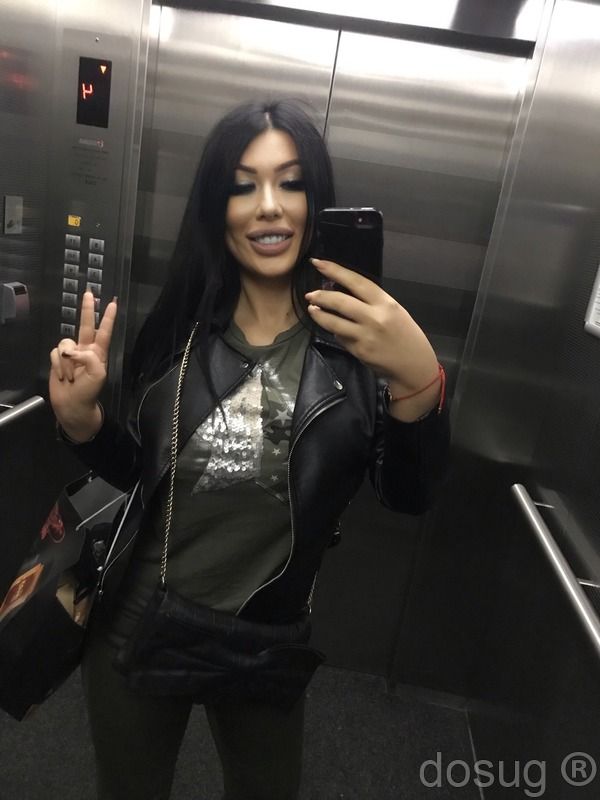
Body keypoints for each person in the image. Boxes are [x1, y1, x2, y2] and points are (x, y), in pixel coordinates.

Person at [49, 99, 450, 800]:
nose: (269, 206)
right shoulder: (178, 331)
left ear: (316, 201)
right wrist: (83, 422)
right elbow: (141, 474)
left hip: (265, 640)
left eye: (291, 182)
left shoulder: (360, 347)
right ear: (218, 206)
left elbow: (407, 496)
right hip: (140, 620)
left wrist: (421, 383)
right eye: (243, 185)